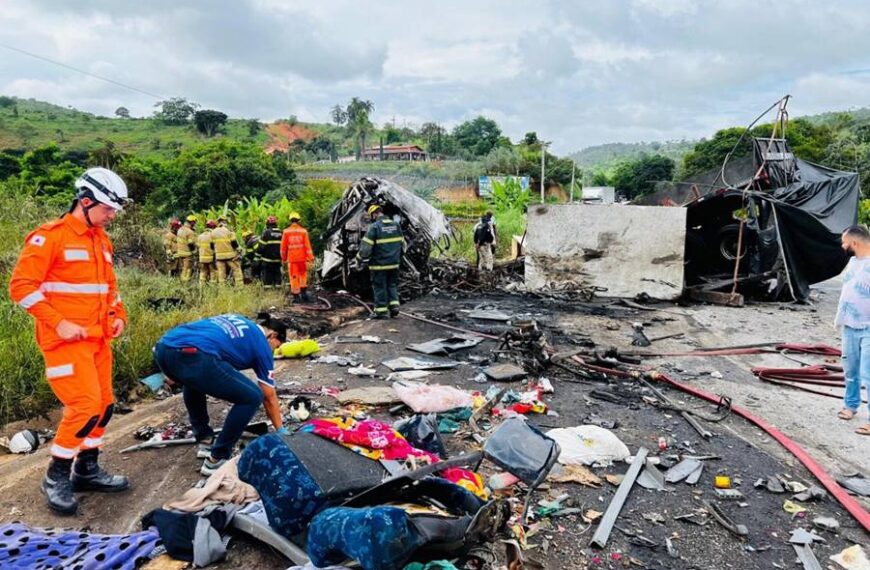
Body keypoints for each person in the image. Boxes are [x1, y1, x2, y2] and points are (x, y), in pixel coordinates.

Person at [8, 167, 131, 515]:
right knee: (84, 407)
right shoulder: (50, 238)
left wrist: (119, 315)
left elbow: (109, 288)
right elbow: (21, 287)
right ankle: (56, 475)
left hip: (98, 340)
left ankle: (87, 469)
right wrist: (58, 323)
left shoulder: (101, 240)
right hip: (65, 343)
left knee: (104, 405)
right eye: (107, 209)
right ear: (86, 201)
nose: (111, 216)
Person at [153, 314, 288, 475]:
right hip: (195, 354)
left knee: (194, 380)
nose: (274, 350)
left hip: (163, 348)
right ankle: (217, 458)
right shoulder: (262, 345)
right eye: (277, 346)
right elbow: (269, 396)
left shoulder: (239, 320)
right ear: (273, 335)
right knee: (252, 397)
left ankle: (205, 440)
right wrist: (281, 430)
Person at [837, 225, 870, 436]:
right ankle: (850, 405)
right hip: (849, 325)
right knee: (850, 370)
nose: (843, 246)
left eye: (845, 242)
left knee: (868, 374)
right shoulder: (852, 262)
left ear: (855, 243)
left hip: (868, 327)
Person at [357, 204, 404, 318]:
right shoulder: (396, 225)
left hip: (379, 265)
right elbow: (403, 245)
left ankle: (381, 311)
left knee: (379, 286)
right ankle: (394, 307)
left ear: (374, 214)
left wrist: (359, 259)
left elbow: (365, 248)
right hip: (394, 264)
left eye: (371, 216)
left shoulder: (374, 227)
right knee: (392, 285)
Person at [281, 212, 315, 302]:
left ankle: (296, 297)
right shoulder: (303, 231)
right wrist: (310, 258)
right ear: (299, 220)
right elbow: (307, 246)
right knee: (303, 275)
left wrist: (283, 258)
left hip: (292, 259)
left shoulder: (286, 232)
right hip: (302, 258)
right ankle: (303, 293)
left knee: (294, 276)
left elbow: (283, 248)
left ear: (290, 220)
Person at [211, 217, 243, 285]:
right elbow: (234, 242)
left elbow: (211, 246)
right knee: (236, 269)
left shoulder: (213, 232)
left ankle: (222, 287)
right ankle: (239, 286)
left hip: (219, 256)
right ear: (225, 221)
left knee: (221, 272)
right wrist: (239, 249)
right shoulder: (229, 230)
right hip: (230, 256)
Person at [256, 216, 283, 288]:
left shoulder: (266, 232)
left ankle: (268, 288)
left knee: (267, 274)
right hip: (278, 259)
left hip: (267, 259)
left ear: (267, 223)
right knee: (277, 273)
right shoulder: (281, 232)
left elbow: (261, 246)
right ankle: (278, 287)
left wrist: (257, 256)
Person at [175, 215, 198, 282]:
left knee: (182, 268)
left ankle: (181, 281)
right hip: (187, 253)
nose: (195, 224)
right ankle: (185, 283)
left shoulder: (180, 229)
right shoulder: (190, 232)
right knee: (187, 269)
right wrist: (195, 249)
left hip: (180, 252)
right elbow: (190, 243)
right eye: (194, 222)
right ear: (192, 222)